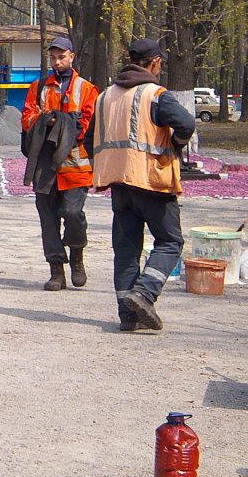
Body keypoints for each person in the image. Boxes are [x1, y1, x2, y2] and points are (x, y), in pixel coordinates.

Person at [91, 38, 196, 332]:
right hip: (151, 180)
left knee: (126, 250)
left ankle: (128, 317)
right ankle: (144, 294)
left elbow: (89, 137)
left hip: (118, 183)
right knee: (170, 241)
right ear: (154, 63)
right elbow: (186, 124)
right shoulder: (155, 95)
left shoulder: (105, 96)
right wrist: (176, 144)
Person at [21, 36, 99, 290]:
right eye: (53, 57)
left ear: (72, 57)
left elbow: (85, 125)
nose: (56, 62)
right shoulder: (38, 86)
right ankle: (56, 271)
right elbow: (27, 118)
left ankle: (77, 256)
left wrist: (58, 122)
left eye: (61, 57)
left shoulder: (87, 89)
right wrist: (48, 121)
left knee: (73, 213)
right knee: (48, 218)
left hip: (75, 165)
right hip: (44, 165)